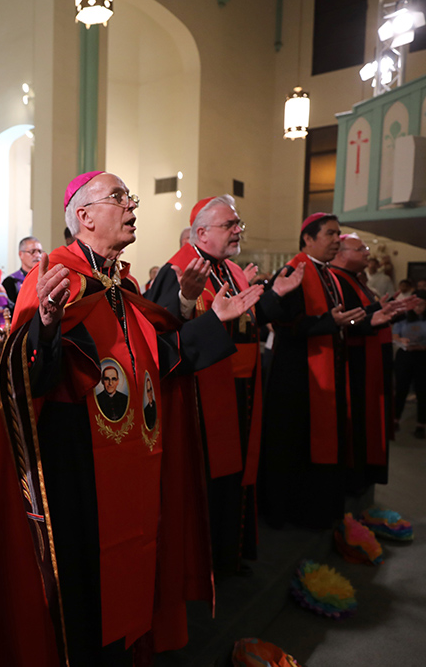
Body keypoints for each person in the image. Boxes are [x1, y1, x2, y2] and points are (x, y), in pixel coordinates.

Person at [0, 171, 261, 666]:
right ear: (84, 216)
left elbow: (158, 357)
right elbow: (22, 379)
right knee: (87, 589)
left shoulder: (122, 284)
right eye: (119, 197)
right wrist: (45, 331)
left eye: (130, 197)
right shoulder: (55, 276)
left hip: (131, 456)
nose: (132, 206)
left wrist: (212, 323)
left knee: (131, 566)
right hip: (76, 464)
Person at [147, 195, 303, 574]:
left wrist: (274, 296)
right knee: (207, 479)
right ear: (201, 232)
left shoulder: (230, 270)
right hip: (203, 394)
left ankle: (227, 553)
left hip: (241, 390)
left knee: (234, 475)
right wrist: (186, 299)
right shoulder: (178, 269)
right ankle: (204, 565)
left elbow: (245, 319)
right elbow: (161, 332)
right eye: (230, 225)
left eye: (239, 225)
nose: (238, 231)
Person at [258, 213, 367, 530]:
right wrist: (328, 322)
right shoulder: (293, 271)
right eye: (331, 234)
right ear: (308, 238)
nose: (337, 240)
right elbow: (284, 323)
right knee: (293, 444)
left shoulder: (327, 274)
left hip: (322, 368)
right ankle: (289, 512)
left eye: (339, 234)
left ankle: (315, 509)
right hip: (295, 375)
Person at [330, 234, 409, 489]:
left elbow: (363, 315)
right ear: (341, 253)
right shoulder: (335, 280)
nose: (367, 253)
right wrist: (374, 317)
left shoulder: (354, 280)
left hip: (369, 361)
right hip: (354, 365)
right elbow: (341, 322)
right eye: (361, 248)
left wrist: (384, 311)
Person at [393, 291, 426, 439]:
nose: (418, 308)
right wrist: (402, 341)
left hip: (424, 357)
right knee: (401, 389)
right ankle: (395, 420)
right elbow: (395, 334)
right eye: (415, 304)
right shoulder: (403, 317)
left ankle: (421, 425)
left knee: (422, 391)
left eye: (421, 304)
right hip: (405, 355)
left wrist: (423, 347)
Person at [3, 235, 43, 301]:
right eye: (32, 251)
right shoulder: (11, 282)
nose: (37, 255)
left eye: (39, 252)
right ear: (21, 254)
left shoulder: (45, 279)